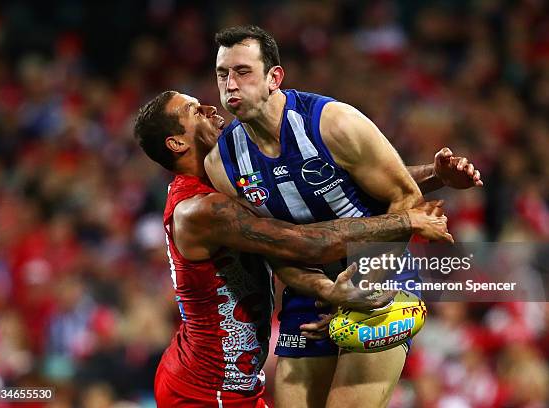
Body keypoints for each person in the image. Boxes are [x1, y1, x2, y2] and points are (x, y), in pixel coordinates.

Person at [205, 25, 483, 408]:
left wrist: (355, 292)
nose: (231, 85)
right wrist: (326, 291)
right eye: (222, 74)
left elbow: (404, 196)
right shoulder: (223, 163)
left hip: (380, 280)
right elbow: (271, 247)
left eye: (243, 71)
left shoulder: (333, 122)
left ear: (274, 77)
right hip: (310, 290)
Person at [133, 91, 454, 407]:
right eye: (195, 110)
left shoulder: (225, 180)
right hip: (204, 392)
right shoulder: (201, 210)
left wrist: (435, 174)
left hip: (232, 384)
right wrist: (405, 221)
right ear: (177, 143)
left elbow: (348, 187)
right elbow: (306, 243)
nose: (210, 107)